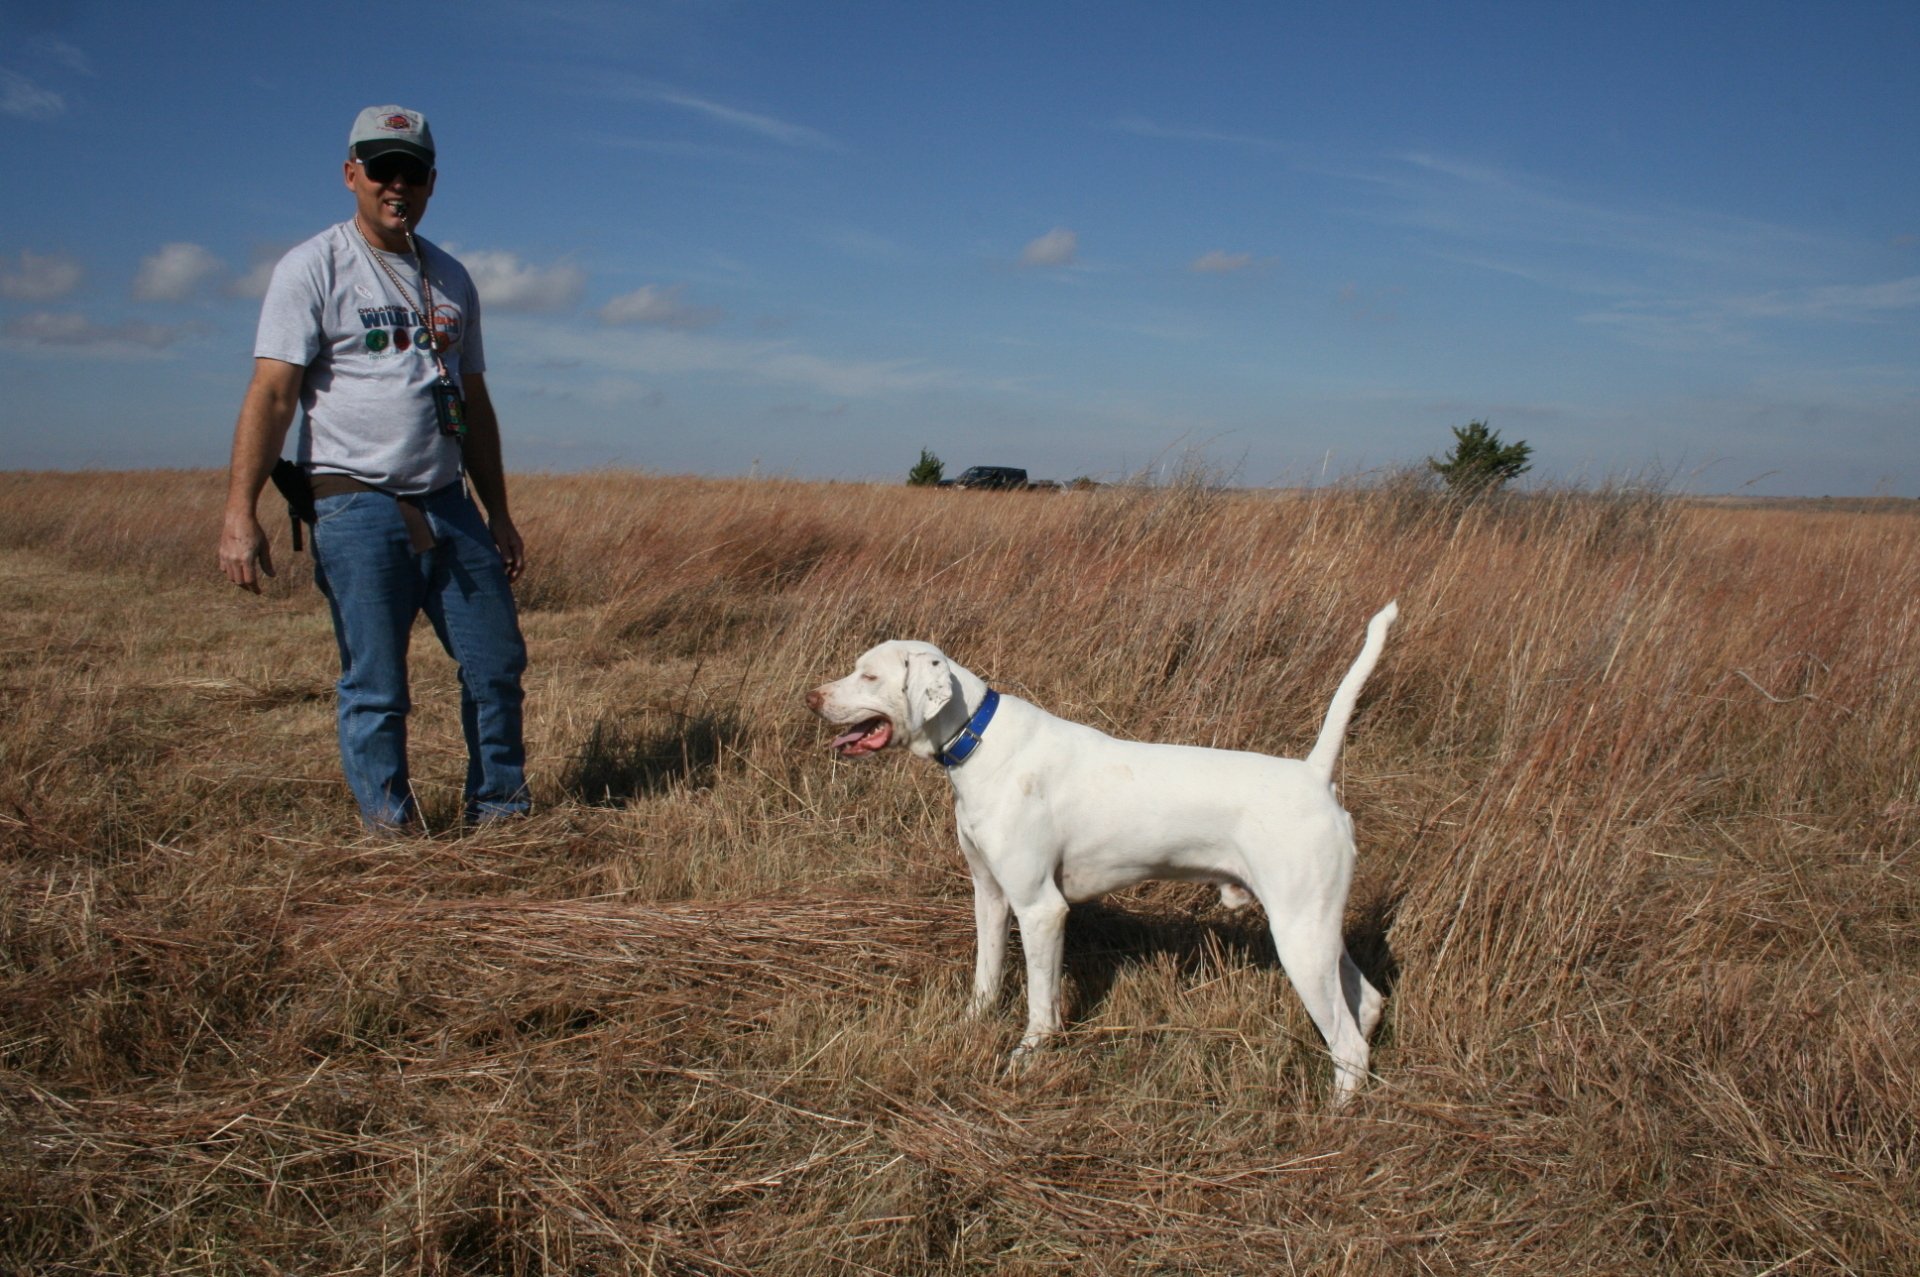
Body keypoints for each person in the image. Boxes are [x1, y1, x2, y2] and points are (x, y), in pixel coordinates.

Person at [218, 105, 530, 832]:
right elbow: (272, 393)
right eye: (382, 169)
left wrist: (499, 512)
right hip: (354, 502)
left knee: (496, 665)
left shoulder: (451, 276)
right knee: (377, 685)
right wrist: (239, 511)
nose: (397, 186)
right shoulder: (313, 266)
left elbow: (472, 402)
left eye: (412, 173)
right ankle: (392, 835)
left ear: (432, 183)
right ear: (350, 174)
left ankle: (501, 815)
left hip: (449, 501)